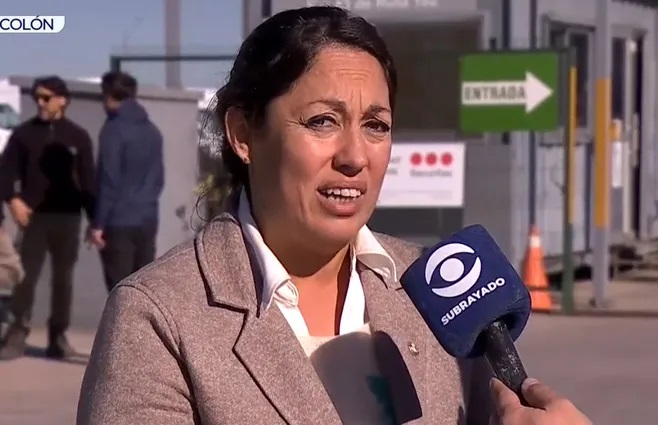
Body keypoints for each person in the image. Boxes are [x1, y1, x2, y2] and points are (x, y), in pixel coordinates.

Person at [76, 7, 592, 425]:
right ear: (243, 134)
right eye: (323, 121)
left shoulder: (435, 292)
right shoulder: (159, 316)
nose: (355, 156)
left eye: (376, 125)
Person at [0, 76, 96, 360]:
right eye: (37, 98)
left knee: (63, 280)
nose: (40, 103)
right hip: (33, 218)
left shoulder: (78, 136)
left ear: (62, 100)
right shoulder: (23, 135)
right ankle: (16, 333)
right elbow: (5, 174)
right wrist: (13, 201)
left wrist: (95, 220)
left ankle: (58, 337)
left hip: (68, 218)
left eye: (46, 97)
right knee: (25, 278)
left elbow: (88, 181)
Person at [87, 71, 164, 292]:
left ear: (109, 95)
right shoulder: (152, 130)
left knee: (119, 290)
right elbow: (159, 178)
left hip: (119, 221)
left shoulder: (113, 130)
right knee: (142, 290)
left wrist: (98, 224)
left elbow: (108, 180)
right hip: (147, 218)